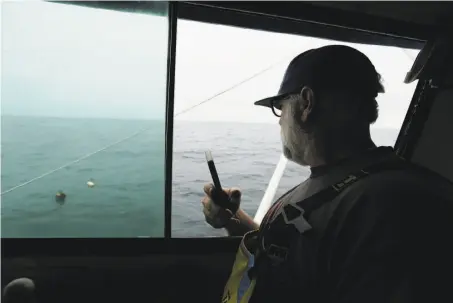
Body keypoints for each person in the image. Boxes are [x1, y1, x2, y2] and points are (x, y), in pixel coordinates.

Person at [201, 45, 453, 303]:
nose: (279, 120)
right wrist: (233, 219)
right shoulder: (350, 187)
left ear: (306, 103)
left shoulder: (395, 206)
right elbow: (302, 251)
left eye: (280, 106)